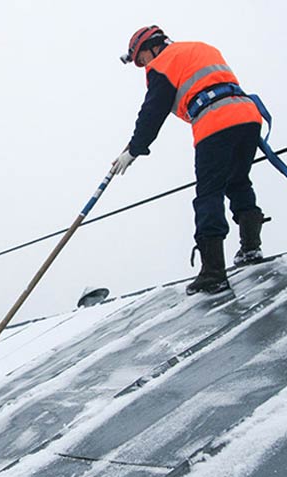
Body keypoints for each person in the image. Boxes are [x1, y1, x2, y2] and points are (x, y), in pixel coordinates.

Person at [111, 25, 267, 295]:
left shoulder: (163, 62)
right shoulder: (200, 48)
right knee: (238, 180)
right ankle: (251, 248)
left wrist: (134, 150)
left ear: (153, 47)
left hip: (214, 122)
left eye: (142, 59)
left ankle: (213, 272)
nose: (145, 65)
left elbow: (152, 111)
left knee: (209, 193)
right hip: (248, 116)